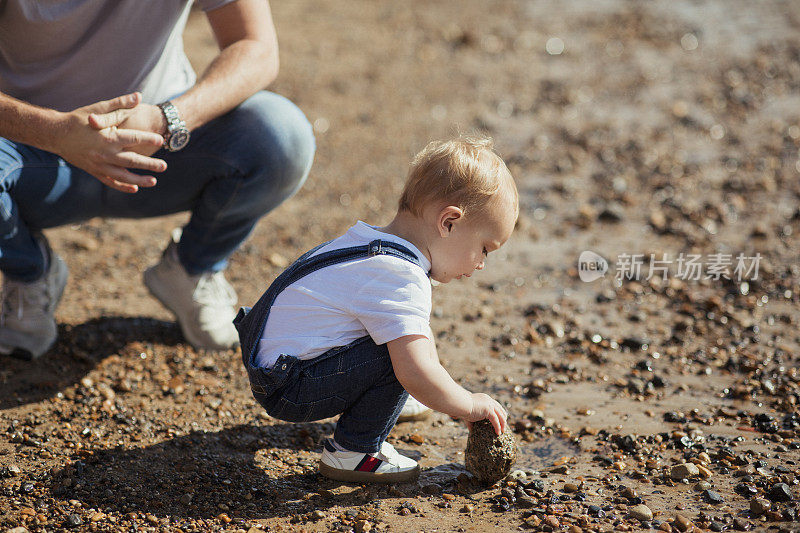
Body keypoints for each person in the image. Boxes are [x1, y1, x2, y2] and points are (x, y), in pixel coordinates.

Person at [0, 0, 316, 359]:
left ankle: (192, 269)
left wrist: (167, 120)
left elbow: (256, 47)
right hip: (29, 157)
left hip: (162, 146)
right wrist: (54, 132)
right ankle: (28, 272)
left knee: (281, 136)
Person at [235, 137, 517, 483]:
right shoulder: (401, 277)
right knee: (402, 357)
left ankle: (384, 403)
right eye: (485, 249)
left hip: (271, 362)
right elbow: (415, 369)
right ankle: (354, 451)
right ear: (449, 223)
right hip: (288, 387)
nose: (482, 264)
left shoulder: (371, 245)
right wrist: (467, 404)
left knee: (408, 339)